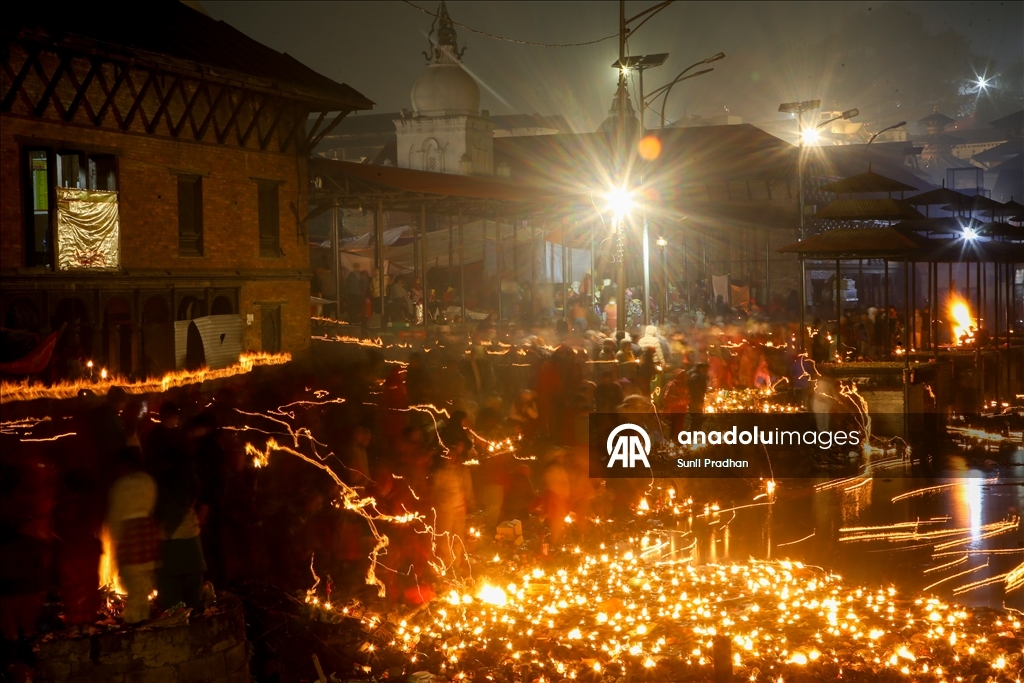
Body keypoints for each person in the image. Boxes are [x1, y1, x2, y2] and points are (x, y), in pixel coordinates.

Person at [107, 447, 159, 623]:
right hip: (147, 530)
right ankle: (144, 615)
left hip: (130, 533)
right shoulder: (148, 481)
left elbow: (116, 514)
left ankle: (135, 621)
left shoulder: (121, 485)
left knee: (132, 578)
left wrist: (114, 539)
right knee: (144, 578)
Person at [687, 363, 709, 430]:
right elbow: (703, 388)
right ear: (701, 368)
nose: (707, 371)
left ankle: (693, 430)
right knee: (698, 417)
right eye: (706, 369)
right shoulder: (700, 376)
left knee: (694, 417)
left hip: (691, 398)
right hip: (697, 399)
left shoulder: (690, 374)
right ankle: (696, 431)